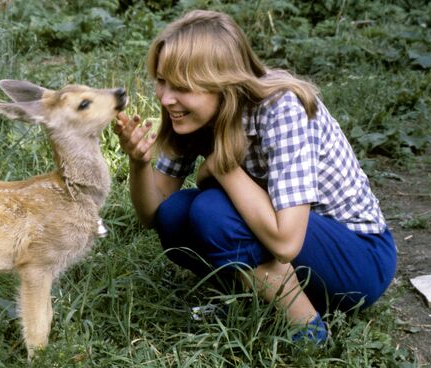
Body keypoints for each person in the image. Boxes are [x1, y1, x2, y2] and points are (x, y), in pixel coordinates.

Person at [113, 9, 397, 343]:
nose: (165, 97)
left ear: (221, 84)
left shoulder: (282, 107)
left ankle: (307, 332)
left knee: (212, 210)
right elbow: (153, 213)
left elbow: (287, 243)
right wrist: (139, 162)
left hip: (358, 262)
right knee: (176, 214)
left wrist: (222, 167)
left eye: (182, 87)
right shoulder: (189, 114)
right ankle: (256, 301)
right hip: (297, 248)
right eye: (162, 81)